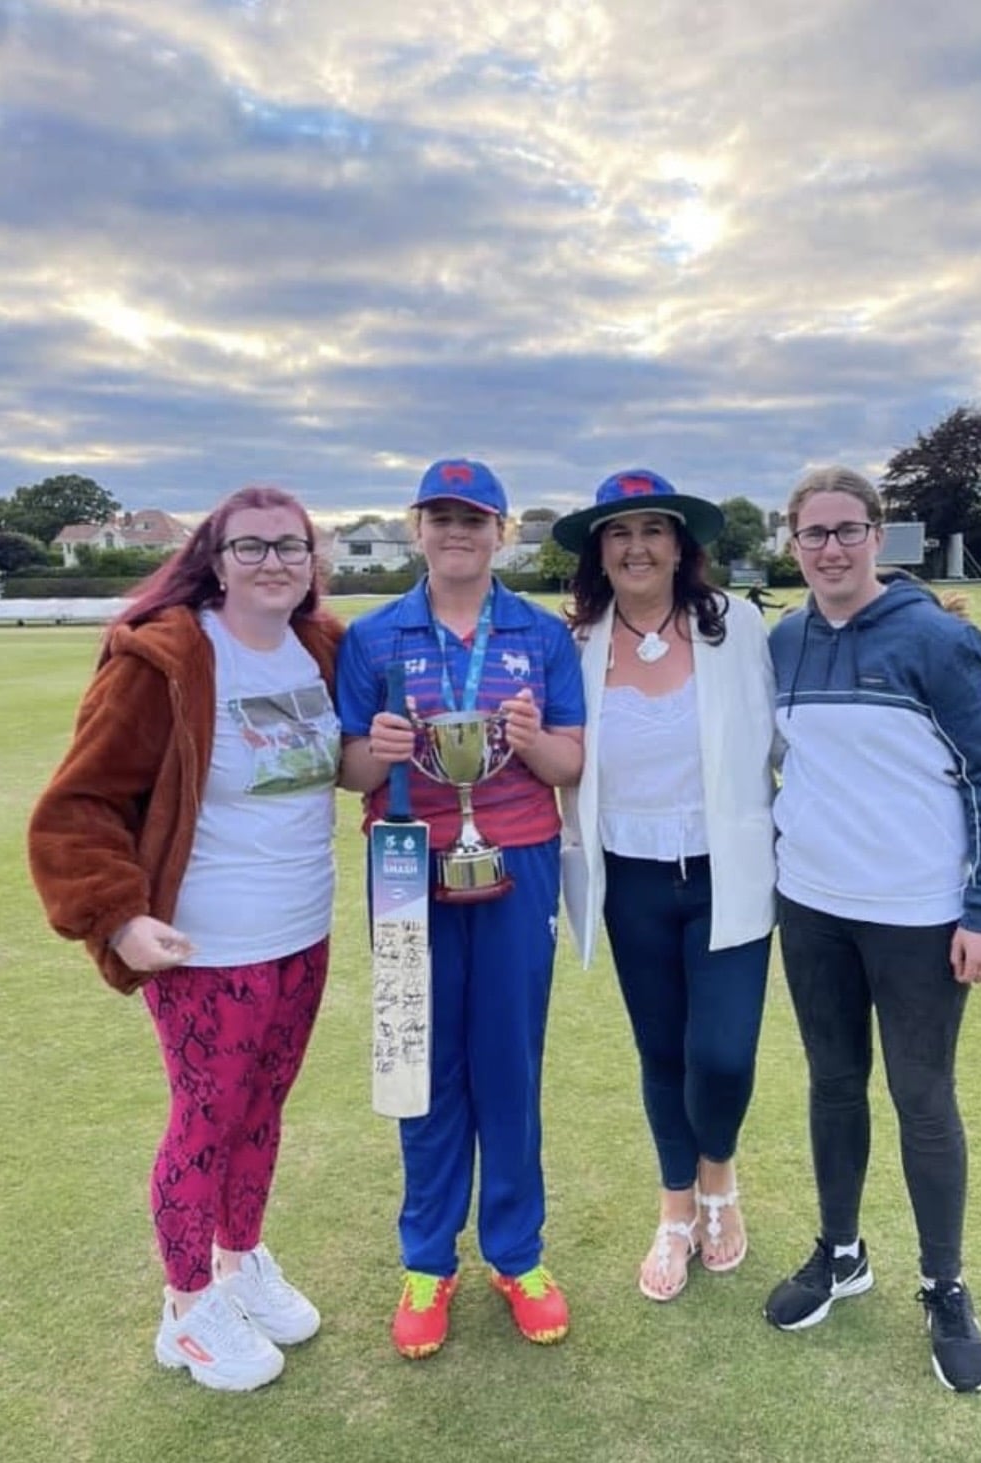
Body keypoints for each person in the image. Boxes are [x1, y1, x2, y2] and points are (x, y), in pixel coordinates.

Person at [27, 486, 343, 1393]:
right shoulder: (164, 656)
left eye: (290, 546)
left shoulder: (321, 645)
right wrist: (118, 916)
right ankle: (186, 1305)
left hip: (302, 926)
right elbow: (77, 806)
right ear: (215, 559)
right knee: (206, 1117)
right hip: (204, 942)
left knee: (263, 1108)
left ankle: (240, 1261)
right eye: (251, 547)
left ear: (311, 562)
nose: (274, 562)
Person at [761, 466, 981, 1394]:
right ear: (793, 542)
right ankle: (841, 1251)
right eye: (813, 532)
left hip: (918, 913)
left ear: (877, 535)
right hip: (812, 904)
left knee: (923, 1096)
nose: (830, 548)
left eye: (847, 529)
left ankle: (944, 1283)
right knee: (834, 1083)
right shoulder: (782, 640)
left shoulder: (938, 640)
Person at [336, 458, 584, 1359]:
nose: (457, 533)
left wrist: (532, 741)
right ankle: (427, 1259)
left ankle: (517, 1254)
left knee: (509, 1059)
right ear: (417, 529)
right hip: (406, 863)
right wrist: (378, 749)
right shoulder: (372, 636)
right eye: (440, 517)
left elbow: (570, 762)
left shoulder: (540, 633)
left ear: (500, 533)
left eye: (474, 519)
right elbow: (347, 769)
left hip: (518, 854)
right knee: (421, 1059)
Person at [554, 469, 776, 1302]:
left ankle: (721, 1176)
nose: (637, 547)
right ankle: (677, 1206)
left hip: (728, 870)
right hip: (630, 876)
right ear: (599, 553)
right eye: (619, 533)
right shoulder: (576, 642)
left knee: (722, 1052)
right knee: (662, 1049)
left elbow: (791, 728)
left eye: (653, 530)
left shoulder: (738, 626)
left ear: (681, 546)